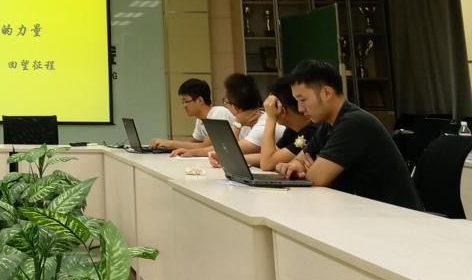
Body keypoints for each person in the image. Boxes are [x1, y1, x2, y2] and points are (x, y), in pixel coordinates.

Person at [276, 60, 422, 210]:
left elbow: (316, 179)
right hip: (366, 211)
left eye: (302, 100)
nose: (300, 108)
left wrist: (311, 171)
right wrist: (297, 166)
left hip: (395, 216)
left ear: (326, 93)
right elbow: (298, 161)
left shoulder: (354, 123)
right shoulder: (328, 124)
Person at [207, 77, 320, 170]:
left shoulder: (312, 130)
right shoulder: (292, 130)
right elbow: (270, 156)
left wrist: (271, 118)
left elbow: (267, 163)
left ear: (281, 109)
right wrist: (228, 158)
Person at [172, 73, 272, 158]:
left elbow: (228, 150)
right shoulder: (251, 121)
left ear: (235, 107)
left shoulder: (262, 124)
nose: (184, 105)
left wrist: (237, 124)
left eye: (226, 102)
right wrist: (191, 152)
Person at [150, 77, 236, 151]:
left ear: (199, 100)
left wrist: (171, 143)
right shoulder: (200, 119)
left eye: (186, 101)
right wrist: (167, 146)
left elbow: (206, 146)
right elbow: (195, 142)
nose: (184, 105)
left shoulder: (218, 113)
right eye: (183, 102)